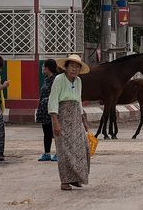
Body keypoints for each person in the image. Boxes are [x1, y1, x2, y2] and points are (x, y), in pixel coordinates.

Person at [48, 54, 90, 191]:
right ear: (66, 67)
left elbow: (78, 100)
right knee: (64, 150)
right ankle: (65, 181)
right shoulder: (59, 80)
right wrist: (55, 122)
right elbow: (53, 100)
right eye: (72, 66)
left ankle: (76, 178)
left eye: (77, 67)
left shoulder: (78, 81)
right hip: (62, 117)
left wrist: (83, 119)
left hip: (76, 118)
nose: (74, 69)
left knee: (81, 148)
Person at [36, 59, 58, 161]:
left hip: (52, 110)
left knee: (56, 132)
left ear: (48, 68)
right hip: (44, 111)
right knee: (46, 132)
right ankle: (47, 153)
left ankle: (59, 153)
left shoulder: (56, 80)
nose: (42, 68)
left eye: (44, 66)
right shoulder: (46, 79)